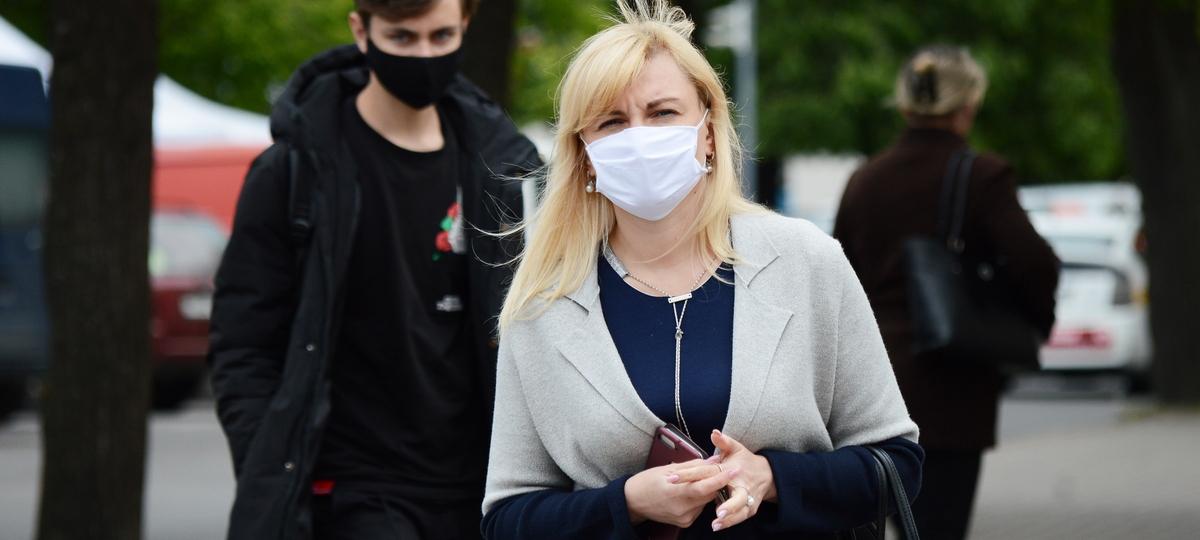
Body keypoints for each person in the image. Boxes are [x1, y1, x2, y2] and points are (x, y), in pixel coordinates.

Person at [481, 2, 922, 538]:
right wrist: (626, 504)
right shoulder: (543, 304)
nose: (639, 136)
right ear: (585, 154)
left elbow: (897, 463)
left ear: (708, 132)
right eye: (612, 122)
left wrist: (772, 478)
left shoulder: (806, 262)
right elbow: (507, 517)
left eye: (663, 113)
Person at [207, 0, 541, 538]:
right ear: (361, 31)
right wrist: (270, 464)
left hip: (479, 489)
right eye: (402, 37)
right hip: (351, 491)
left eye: (441, 36)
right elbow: (243, 342)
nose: (424, 55)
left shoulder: (502, 169)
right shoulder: (295, 170)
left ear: (465, 26)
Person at [833, 46, 1060, 540]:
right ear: (969, 104)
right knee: (942, 526)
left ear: (904, 103)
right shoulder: (982, 176)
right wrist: (1027, 328)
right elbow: (1035, 262)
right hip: (954, 384)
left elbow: (838, 278)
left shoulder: (864, 179)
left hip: (874, 386)